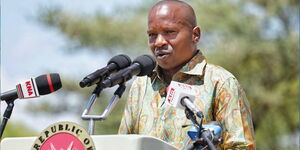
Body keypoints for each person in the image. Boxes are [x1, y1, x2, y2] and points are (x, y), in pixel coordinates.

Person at [118, 0, 256, 149]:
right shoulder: (141, 85)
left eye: (169, 32)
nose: (158, 42)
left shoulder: (221, 82)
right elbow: (123, 144)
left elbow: (241, 147)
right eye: (152, 35)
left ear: (195, 35)